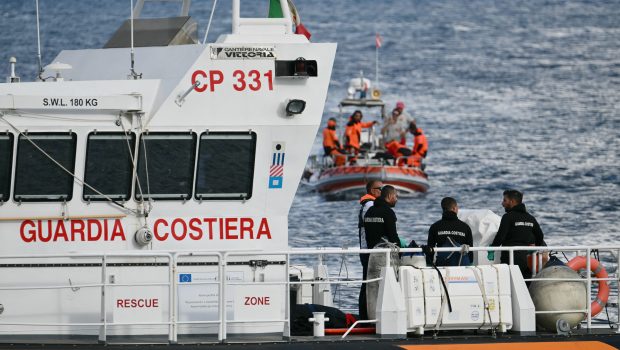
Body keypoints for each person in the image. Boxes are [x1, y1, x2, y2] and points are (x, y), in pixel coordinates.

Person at [489, 190, 546, 279]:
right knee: (523, 280)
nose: (502, 203)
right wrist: (534, 249)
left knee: (508, 282)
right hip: (525, 259)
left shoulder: (508, 217)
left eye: (504, 200)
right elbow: (540, 236)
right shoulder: (530, 218)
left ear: (512, 202)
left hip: (509, 258)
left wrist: (492, 248)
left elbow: (500, 237)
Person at [357, 180, 383, 320]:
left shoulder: (370, 204)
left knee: (368, 282)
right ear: (373, 190)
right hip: (369, 250)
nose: (383, 191)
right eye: (381, 189)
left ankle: (366, 316)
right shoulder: (370, 205)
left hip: (369, 249)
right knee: (367, 283)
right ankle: (365, 316)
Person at [427, 197, 473, 266]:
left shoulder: (435, 227)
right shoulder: (465, 227)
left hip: (442, 265)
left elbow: (430, 250)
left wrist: (429, 265)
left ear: (443, 209)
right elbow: (470, 253)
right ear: (454, 208)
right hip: (461, 266)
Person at [363, 185, 408, 249]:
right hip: (384, 253)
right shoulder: (388, 212)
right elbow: (393, 236)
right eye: (395, 196)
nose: (396, 199)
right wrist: (400, 251)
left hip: (371, 252)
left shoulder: (369, 211)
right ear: (389, 196)